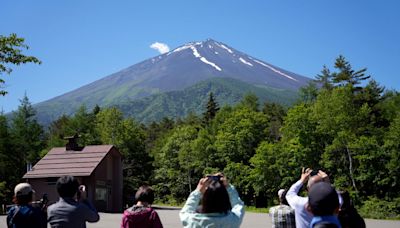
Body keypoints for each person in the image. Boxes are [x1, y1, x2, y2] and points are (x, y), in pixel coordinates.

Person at [179, 173, 245, 228]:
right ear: (225, 199)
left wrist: (198, 190)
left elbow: (186, 209)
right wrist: (228, 186)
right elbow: (238, 205)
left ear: (205, 198)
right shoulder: (232, 221)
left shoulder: (192, 220)